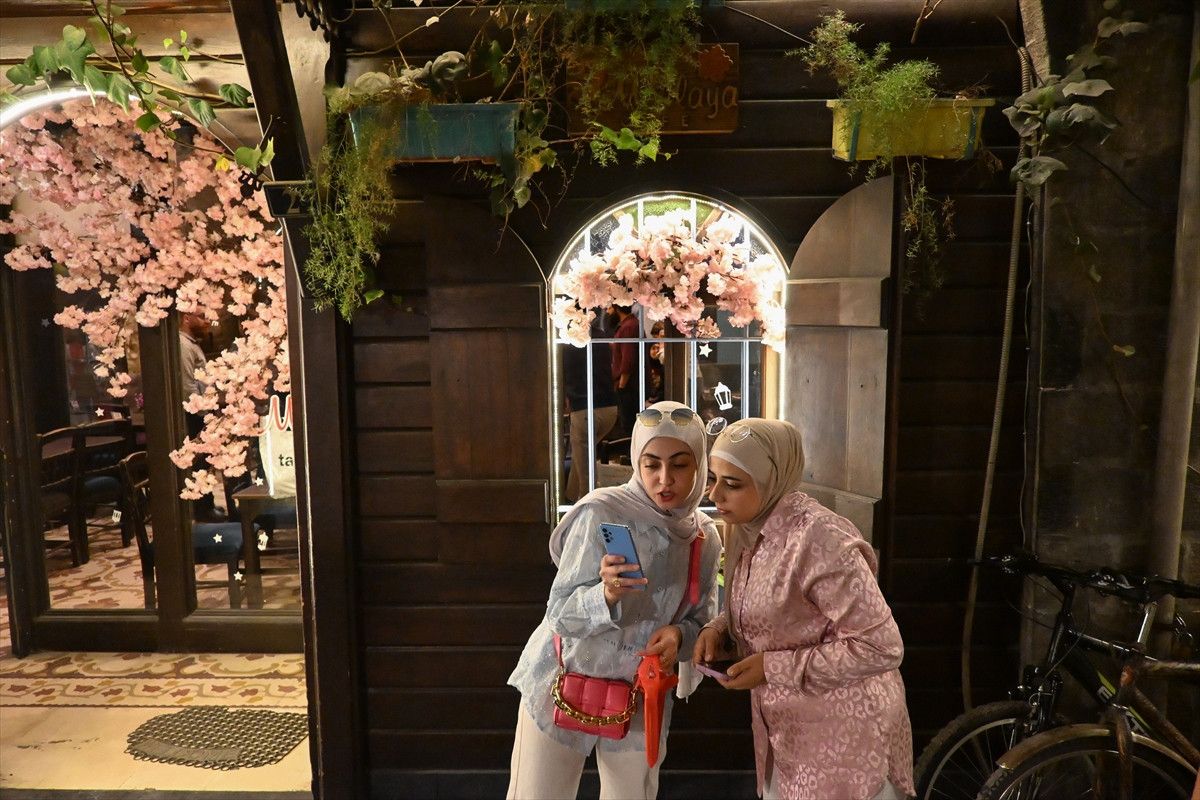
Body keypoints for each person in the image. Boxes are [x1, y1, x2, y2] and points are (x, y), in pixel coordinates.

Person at [507, 401, 722, 800]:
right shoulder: (602, 512)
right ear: (636, 463)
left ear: (700, 465)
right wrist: (604, 594)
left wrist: (679, 635)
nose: (664, 479)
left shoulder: (702, 536)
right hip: (562, 680)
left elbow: (701, 619)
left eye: (680, 465)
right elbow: (559, 613)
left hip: (640, 693)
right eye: (651, 464)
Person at [694, 418, 914, 800]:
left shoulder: (819, 538)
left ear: (772, 480)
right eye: (713, 479)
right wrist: (720, 629)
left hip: (847, 742)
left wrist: (771, 668)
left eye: (733, 484)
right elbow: (772, 606)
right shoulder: (748, 529)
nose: (715, 494)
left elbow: (881, 646)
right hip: (787, 735)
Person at [563, 320, 618, 502]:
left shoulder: (567, 338)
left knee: (587, 477)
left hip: (584, 409)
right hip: (610, 408)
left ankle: (590, 508)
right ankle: (570, 499)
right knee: (582, 459)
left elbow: (562, 372)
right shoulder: (600, 335)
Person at [179, 311, 221, 521]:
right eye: (201, 316)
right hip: (195, 412)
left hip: (201, 410)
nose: (207, 321)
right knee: (199, 462)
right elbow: (188, 385)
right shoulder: (184, 345)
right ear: (187, 318)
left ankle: (207, 505)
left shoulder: (191, 344)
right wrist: (202, 411)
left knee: (204, 461)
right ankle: (203, 510)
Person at [610, 304, 640, 442]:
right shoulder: (631, 324)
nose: (607, 312)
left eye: (609, 308)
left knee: (629, 427)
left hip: (628, 387)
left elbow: (628, 358)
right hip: (629, 385)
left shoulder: (628, 327)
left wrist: (622, 385)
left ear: (617, 309)